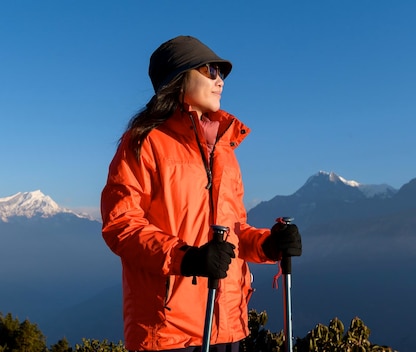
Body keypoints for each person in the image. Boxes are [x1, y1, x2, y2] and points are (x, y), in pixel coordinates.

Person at [100, 35, 302, 352]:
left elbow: (232, 231)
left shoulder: (224, 150)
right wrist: (187, 258)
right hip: (167, 331)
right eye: (210, 70)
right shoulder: (143, 143)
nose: (220, 80)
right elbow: (121, 226)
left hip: (226, 323)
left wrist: (268, 244)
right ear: (178, 79)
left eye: (222, 72)